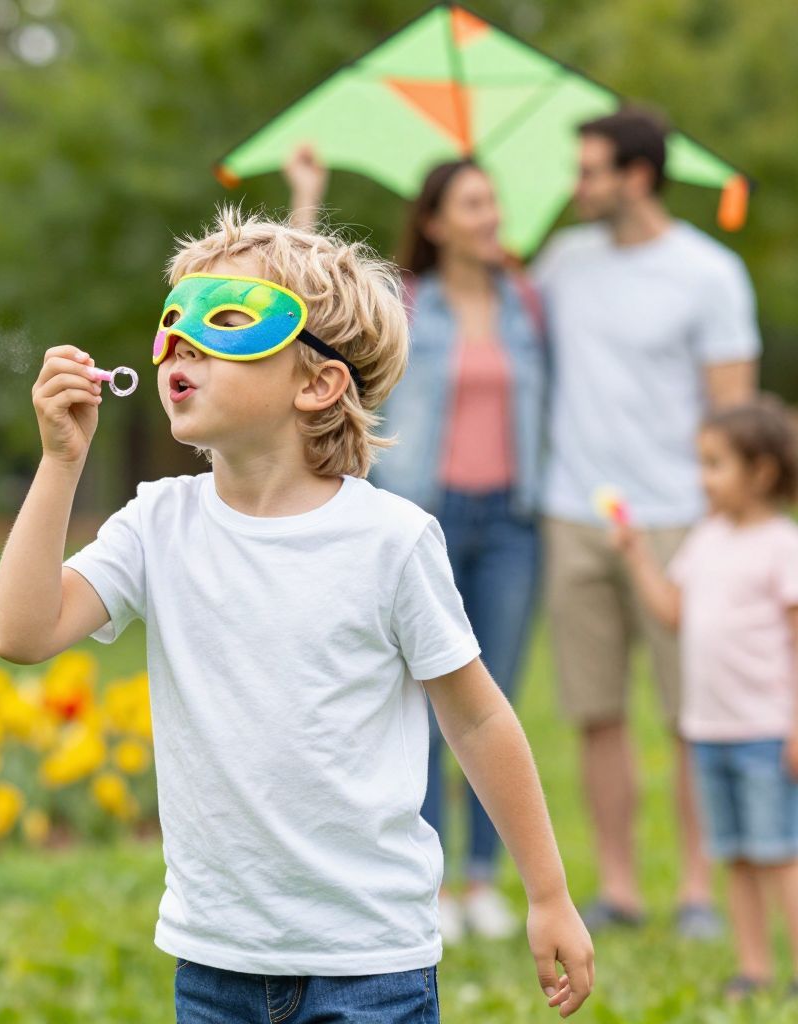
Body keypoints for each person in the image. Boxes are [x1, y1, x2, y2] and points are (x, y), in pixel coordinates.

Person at [0, 207, 594, 1021]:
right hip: (216, 959)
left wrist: (548, 893)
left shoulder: (390, 539)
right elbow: (20, 634)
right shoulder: (156, 523)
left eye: (225, 324)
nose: (180, 346)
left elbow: (480, 722)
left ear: (317, 382)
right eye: (174, 326)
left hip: (369, 959)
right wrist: (61, 464)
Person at [287, 146, 546, 943]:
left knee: (491, 700)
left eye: (492, 201)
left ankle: (482, 879)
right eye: (471, 204)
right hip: (423, 516)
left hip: (511, 520)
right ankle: (431, 883)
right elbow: (306, 313)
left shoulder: (527, 304)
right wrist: (308, 198)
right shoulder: (404, 301)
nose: (489, 216)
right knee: (429, 705)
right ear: (434, 222)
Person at [533, 108, 761, 936]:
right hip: (574, 513)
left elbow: (734, 415)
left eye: (591, 169)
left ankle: (699, 891)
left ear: (636, 175)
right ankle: (621, 889)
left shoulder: (710, 273)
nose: (577, 184)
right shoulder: (563, 262)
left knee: (689, 711)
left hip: (678, 522)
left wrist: (722, 528)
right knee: (596, 710)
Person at [617, 397, 798, 1000]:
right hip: (710, 730)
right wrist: (639, 556)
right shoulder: (707, 539)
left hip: (766, 731)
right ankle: (754, 968)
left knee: (780, 856)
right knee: (736, 856)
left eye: (715, 463)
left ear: (762, 472)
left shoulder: (781, 545)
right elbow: (673, 613)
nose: (703, 477)